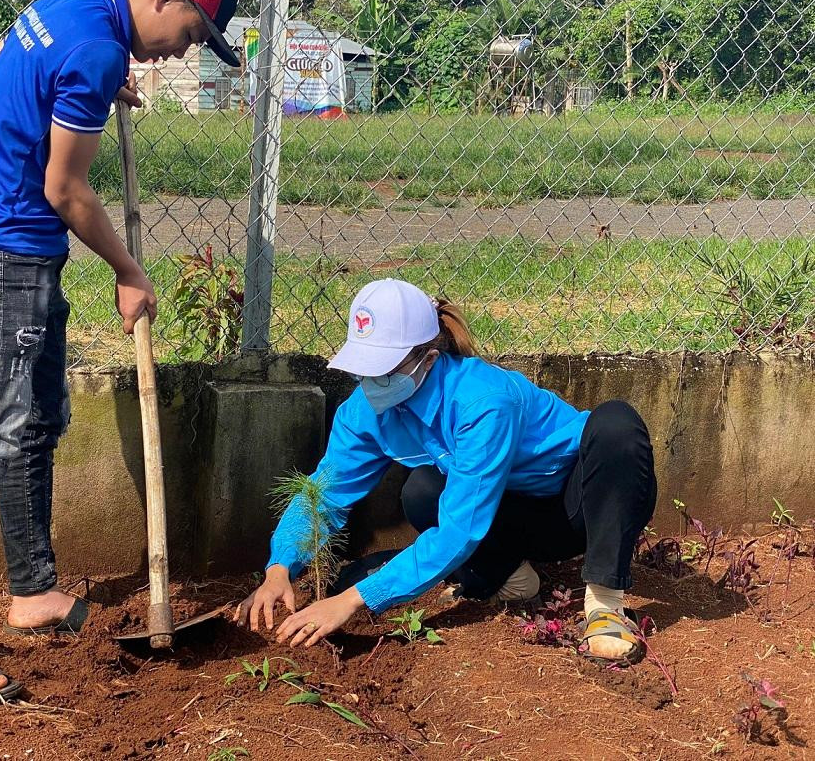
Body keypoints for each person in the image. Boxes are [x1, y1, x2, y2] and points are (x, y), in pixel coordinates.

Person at [0, 0, 240, 704]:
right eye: (189, 36)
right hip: (4, 250)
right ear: (166, 0)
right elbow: (66, 188)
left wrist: (77, 96)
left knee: (33, 422)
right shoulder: (96, 48)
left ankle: (35, 594)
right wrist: (130, 271)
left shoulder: (67, 6)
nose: (174, 56)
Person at [235, 278, 657, 666]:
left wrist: (350, 600)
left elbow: (459, 529)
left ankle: (604, 605)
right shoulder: (364, 411)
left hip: (579, 510)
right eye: (364, 367)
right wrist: (279, 569)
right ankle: (508, 575)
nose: (371, 381)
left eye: (384, 369)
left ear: (428, 358)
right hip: (504, 517)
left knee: (615, 424)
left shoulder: (483, 401)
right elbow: (325, 494)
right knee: (423, 491)